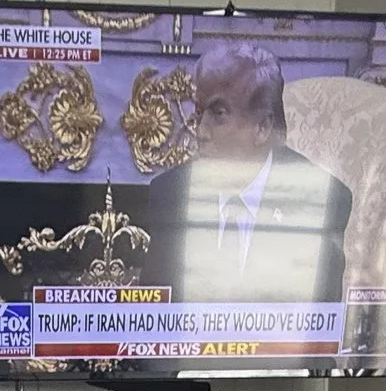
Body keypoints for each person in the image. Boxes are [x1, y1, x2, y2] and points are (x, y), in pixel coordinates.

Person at [144, 43, 351, 308]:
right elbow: (156, 316)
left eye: (218, 115)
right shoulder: (171, 191)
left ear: (262, 127)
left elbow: (315, 333)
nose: (201, 132)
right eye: (199, 114)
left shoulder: (322, 199)